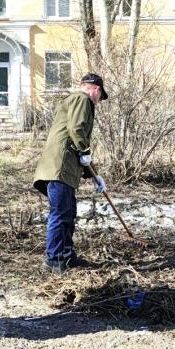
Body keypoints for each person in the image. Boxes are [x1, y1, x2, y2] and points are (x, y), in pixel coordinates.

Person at [33, 73, 109, 273]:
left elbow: (74, 138)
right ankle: (54, 260)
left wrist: (94, 175)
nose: (99, 101)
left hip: (63, 169)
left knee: (68, 213)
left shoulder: (74, 100)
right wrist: (85, 151)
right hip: (59, 168)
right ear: (96, 89)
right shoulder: (81, 99)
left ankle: (66, 255)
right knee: (60, 214)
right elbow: (77, 130)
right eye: (100, 97)